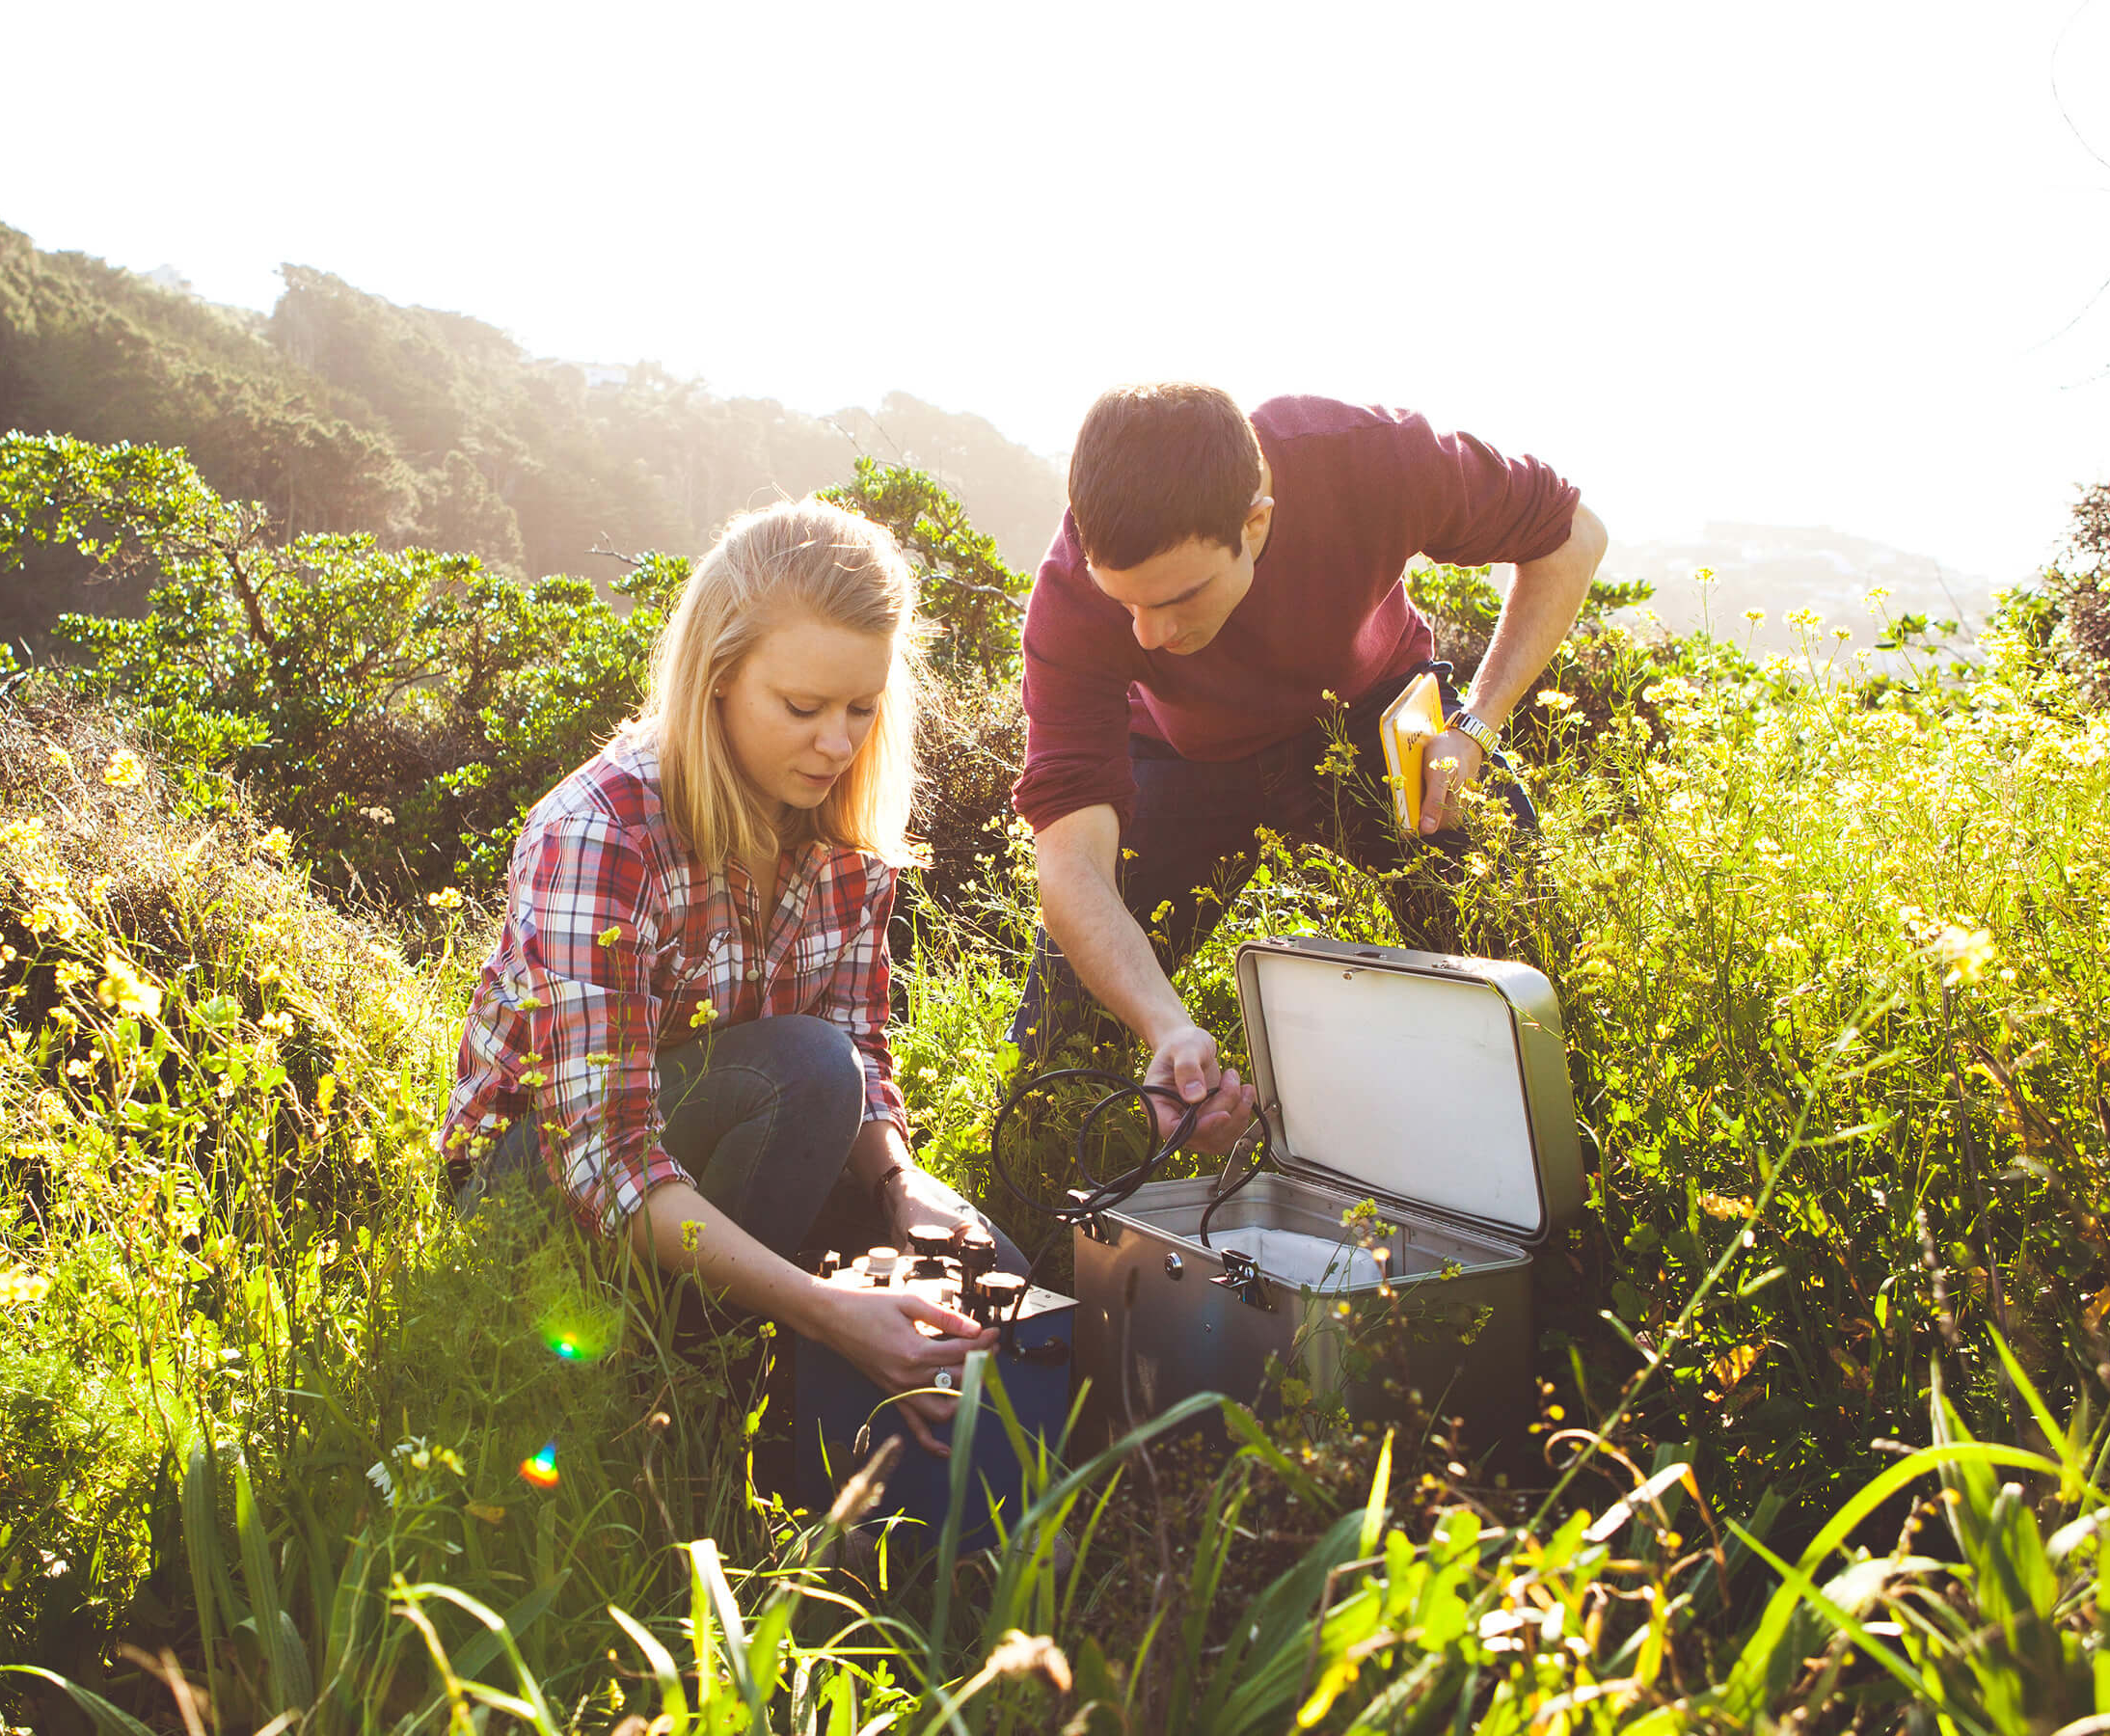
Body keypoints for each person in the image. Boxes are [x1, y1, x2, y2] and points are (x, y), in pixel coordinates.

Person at [442, 498, 1019, 1454]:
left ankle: (884, 1491)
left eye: (861, 708)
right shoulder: (602, 834)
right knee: (802, 1070)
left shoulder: (841, 816)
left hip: (743, 1152)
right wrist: (822, 1308)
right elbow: (606, 1158)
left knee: (985, 1271)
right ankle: (672, 1393)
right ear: (715, 682)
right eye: (802, 709)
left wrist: (896, 1178)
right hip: (541, 1193)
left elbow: (859, 1039)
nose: (838, 744)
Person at [1013, 384, 1607, 1152]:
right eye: (1125, 604)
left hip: (1369, 716)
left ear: (1255, 523)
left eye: (1178, 597)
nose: (1149, 636)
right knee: (1054, 1055)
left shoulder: (1370, 458)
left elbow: (1573, 534)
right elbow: (1068, 862)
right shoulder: (1068, 597)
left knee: (1531, 961)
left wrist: (1476, 727)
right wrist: (1166, 1027)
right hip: (1180, 756)